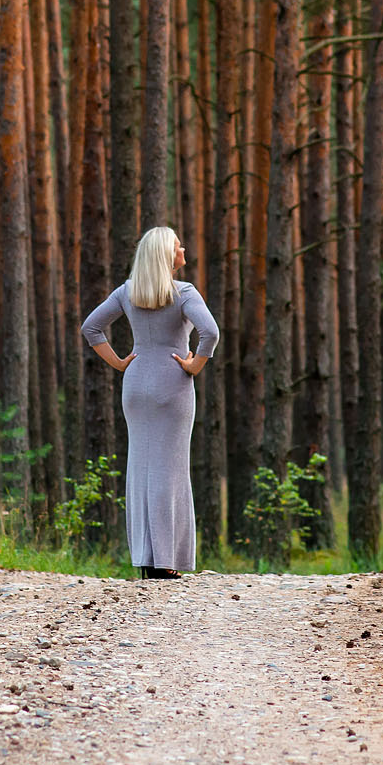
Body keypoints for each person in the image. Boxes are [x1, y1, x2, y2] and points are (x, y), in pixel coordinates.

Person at [79, 226, 219, 578]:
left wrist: (119, 363)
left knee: (141, 469)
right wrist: (194, 365)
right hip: (172, 384)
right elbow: (210, 332)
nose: (183, 249)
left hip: (136, 383)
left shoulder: (127, 292)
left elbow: (91, 328)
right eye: (178, 246)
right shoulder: (184, 292)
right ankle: (165, 562)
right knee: (170, 471)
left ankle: (146, 558)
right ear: (165, 255)